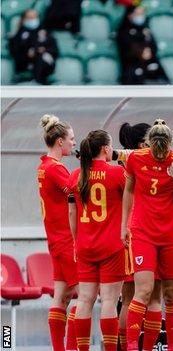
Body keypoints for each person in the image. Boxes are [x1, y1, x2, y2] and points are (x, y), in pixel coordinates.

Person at [122, 119, 173, 351]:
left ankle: (171, 348)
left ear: (171, 144)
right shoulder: (135, 158)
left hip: (172, 237)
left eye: (164, 151)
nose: (160, 155)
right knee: (142, 291)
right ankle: (133, 347)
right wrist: (125, 225)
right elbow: (129, 190)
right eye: (156, 150)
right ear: (149, 144)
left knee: (171, 295)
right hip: (143, 233)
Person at [68, 130, 127, 351]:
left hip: (85, 246)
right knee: (109, 301)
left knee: (84, 300)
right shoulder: (117, 174)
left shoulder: (76, 176)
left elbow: (72, 214)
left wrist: (76, 242)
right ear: (105, 149)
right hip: (112, 245)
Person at [116, 122, 165, 351]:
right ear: (142, 144)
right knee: (139, 297)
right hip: (139, 234)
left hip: (132, 234)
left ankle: (127, 346)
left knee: (131, 297)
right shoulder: (135, 163)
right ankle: (129, 346)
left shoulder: (128, 163)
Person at [37, 114, 78, 351]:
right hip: (66, 240)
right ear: (60, 141)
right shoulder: (55, 169)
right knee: (85, 296)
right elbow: (75, 193)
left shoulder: (43, 167)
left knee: (61, 296)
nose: (74, 143)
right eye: (71, 139)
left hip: (55, 240)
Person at [116, 6, 169, 85]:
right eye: (137, 14)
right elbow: (125, 50)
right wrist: (141, 52)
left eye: (142, 14)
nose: (140, 16)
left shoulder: (146, 30)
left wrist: (149, 51)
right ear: (130, 15)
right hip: (132, 65)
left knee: (159, 74)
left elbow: (154, 47)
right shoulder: (124, 31)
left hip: (149, 63)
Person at [8, 9, 58, 84]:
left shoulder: (46, 33)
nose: (32, 20)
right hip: (25, 63)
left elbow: (55, 50)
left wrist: (44, 50)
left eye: (34, 17)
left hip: (44, 63)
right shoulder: (18, 35)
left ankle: (38, 81)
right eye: (29, 18)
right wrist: (27, 54)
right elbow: (14, 51)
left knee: (42, 56)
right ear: (23, 19)